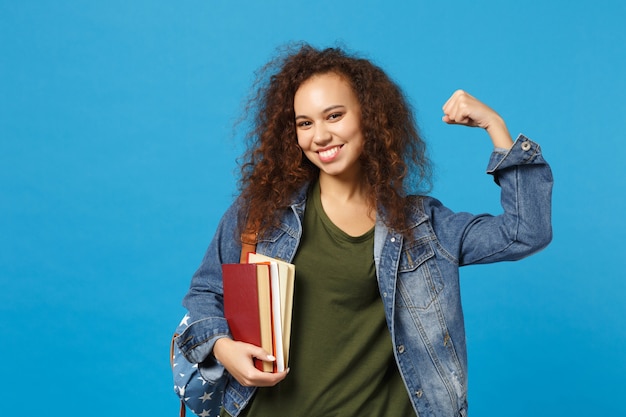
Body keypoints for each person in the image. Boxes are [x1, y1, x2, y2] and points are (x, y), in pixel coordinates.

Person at [173, 44, 553, 417]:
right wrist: (223, 348)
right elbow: (205, 292)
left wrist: (495, 126)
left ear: (369, 117)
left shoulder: (423, 226)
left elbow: (525, 232)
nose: (319, 136)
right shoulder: (262, 212)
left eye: (334, 116)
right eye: (305, 123)